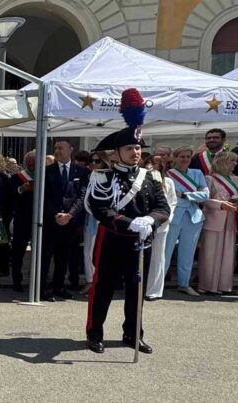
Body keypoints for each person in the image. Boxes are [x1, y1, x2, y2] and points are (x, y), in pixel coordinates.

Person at [84, 89, 170, 355]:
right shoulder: (102, 178)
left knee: (136, 291)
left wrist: (150, 221)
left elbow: (162, 207)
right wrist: (129, 223)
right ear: (116, 153)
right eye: (129, 148)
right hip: (111, 240)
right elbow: (101, 210)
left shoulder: (150, 177)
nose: (135, 152)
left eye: (137, 148)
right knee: (103, 289)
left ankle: (133, 335)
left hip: (140, 242)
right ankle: (94, 333)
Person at [40, 140, 89, 301]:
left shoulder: (81, 172)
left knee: (64, 257)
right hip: (51, 221)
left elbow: (82, 196)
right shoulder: (47, 171)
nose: (57, 151)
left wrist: (70, 215)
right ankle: (43, 289)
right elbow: (44, 196)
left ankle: (59, 287)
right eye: (55, 148)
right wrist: (56, 214)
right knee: (46, 257)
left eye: (60, 148)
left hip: (70, 222)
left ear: (71, 149)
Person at [163, 147, 208, 297]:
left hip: (194, 216)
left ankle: (184, 284)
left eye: (188, 157)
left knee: (187, 254)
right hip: (174, 216)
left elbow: (205, 195)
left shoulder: (197, 173)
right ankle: (158, 285)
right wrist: (195, 195)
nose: (185, 159)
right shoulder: (168, 175)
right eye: (181, 156)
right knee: (165, 252)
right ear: (174, 158)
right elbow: (169, 196)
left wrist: (184, 194)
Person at [198, 152, 238, 295]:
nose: (235, 163)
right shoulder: (209, 179)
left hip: (231, 220)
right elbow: (204, 200)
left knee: (228, 254)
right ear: (222, 161)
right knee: (210, 254)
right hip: (214, 219)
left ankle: (224, 286)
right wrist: (220, 204)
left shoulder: (235, 179)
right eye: (232, 160)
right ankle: (207, 285)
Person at [145, 151, 177, 301]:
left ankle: (154, 290)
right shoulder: (141, 180)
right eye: (150, 162)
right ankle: (139, 286)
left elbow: (172, 203)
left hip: (162, 224)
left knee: (158, 257)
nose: (153, 165)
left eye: (157, 163)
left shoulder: (168, 182)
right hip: (144, 224)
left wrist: (167, 218)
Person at [82, 151, 111, 295]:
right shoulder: (88, 176)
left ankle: (100, 282)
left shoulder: (111, 177)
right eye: (91, 161)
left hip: (106, 219)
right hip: (90, 219)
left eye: (97, 161)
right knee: (88, 251)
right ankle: (90, 280)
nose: (93, 164)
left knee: (102, 253)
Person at [8, 151, 36, 292]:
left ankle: (38, 280)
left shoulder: (43, 176)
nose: (31, 165)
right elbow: (9, 197)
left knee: (40, 252)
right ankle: (17, 281)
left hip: (39, 219)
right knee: (18, 252)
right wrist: (21, 189)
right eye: (29, 163)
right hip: (22, 218)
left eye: (34, 163)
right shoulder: (17, 177)